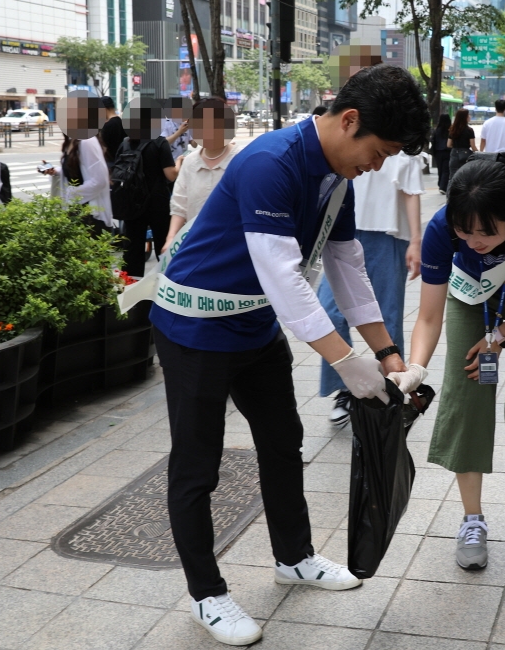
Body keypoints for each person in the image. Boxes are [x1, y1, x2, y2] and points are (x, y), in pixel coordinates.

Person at [148, 64, 429, 647]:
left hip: (251, 326)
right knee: (197, 464)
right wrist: (349, 363)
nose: (378, 165)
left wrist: (389, 354)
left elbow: (347, 266)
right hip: (195, 327)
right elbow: (284, 278)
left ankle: (294, 557)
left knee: (282, 441)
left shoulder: (335, 175)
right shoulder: (270, 163)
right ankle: (207, 594)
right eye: (379, 151)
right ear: (349, 120)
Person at [389, 159, 505, 570]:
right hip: (474, 298)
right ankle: (472, 519)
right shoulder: (442, 228)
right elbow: (428, 316)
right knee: (466, 399)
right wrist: (416, 369)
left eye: (486, 232)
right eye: (464, 229)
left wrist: (499, 337)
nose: (474, 241)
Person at [318, 149, 424, 428]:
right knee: (330, 314)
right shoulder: (353, 139)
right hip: (344, 232)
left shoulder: (402, 148)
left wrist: (416, 240)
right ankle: (346, 388)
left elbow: (411, 192)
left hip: (389, 236)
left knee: (387, 318)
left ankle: (392, 392)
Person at [162, 97, 239, 253]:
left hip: (233, 247)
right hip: (196, 245)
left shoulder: (241, 159)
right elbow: (179, 205)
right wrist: (171, 239)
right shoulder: (190, 162)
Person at [116, 98, 182, 277]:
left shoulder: (125, 143)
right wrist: (179, 161)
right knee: (163, 245)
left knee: (132, 249)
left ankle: (131, 289)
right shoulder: (159, 143)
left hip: (132, 202)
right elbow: (171, 175)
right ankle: (167, 284)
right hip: (157, 202)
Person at [39, 92, 113, 235]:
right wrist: (56, 171)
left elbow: (100, 180)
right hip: (78, 210)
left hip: (90, 214)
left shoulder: (87, 141)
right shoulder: (72, 140)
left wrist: (72, 194)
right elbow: (77, 171)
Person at [448, 108, 477, 181]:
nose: (470, 116)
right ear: (465, 117)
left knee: (452, 177)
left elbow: (448, 144)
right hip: (465, 154)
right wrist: (479, 153)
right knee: (464, 176)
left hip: (454, 153)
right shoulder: (469, 130)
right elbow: (473, 146)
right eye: (468, 115)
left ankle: (450, 192)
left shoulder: (452, 129)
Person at [100, 96, 127, 165]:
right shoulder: (122, 123)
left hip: (110, 163)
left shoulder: (107, 126)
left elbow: (103, 147)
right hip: (122, 162)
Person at [431, 113, 451, 193]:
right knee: (446, 169)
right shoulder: (450, 130)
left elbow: (433, 141)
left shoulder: (437, 130)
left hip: (438, 152)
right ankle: (443, 187)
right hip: (447, 151)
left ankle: (440, 184)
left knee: (440, 169)